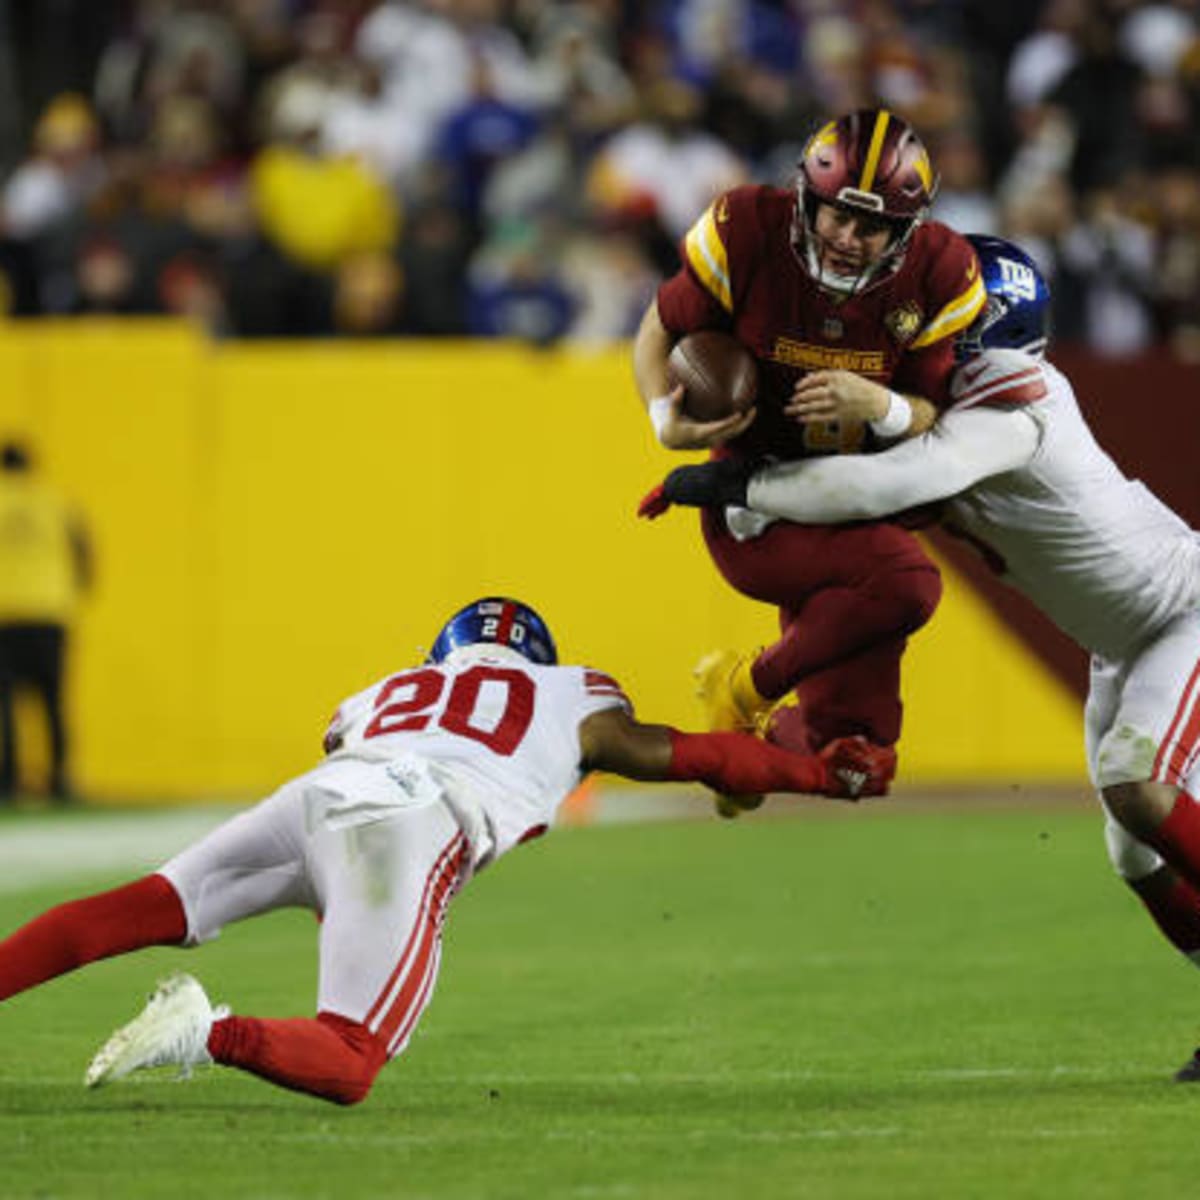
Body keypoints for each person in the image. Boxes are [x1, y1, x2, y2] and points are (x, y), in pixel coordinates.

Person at [645, 236, 1200, 1081]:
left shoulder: (1021, 399)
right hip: (1122, 639)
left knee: (1137, 782)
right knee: (1134, 850)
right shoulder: (940, 402)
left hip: (1185, 608)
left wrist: (741, 490)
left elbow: (883, 490)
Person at [0, 596, 888, 1105]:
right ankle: (205, 1032)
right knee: (350, 1060)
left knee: (139, 905)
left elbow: (336, 750)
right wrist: (817, 778)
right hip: (415, 817)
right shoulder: (567, 688)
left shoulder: (387, 687)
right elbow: (691, 755)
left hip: (324, 793)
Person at [631, 107, 985, 816]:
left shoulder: (940, 270)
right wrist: (664, 420)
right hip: (756, 501)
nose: (849, 239)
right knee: (910, 582)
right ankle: (744, 687)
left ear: (905, 230)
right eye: (835, 218)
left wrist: (876, 406)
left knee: (857, 759)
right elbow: (661, 327)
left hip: (853, 505)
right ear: (805, 199)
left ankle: (742, 766)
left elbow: (930, 416)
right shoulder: (748, 229)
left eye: (872, 226)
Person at [0, 439, 91, 801]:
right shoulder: (55, 501)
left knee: (5, 701)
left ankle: (7, 780)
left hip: (6, 613)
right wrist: (69, 592)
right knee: (53, 700)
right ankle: (61, 779)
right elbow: (83, 550)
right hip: (50, 611)